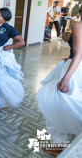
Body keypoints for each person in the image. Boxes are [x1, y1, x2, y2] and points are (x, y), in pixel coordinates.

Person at [36, 22, 82, 156]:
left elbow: (79, 54)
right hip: (77, 67)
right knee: (73, 106)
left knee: (59, 106)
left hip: (76, 71)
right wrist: (71, 57)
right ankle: (73, 142)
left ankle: (61, 145)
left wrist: (65, 79)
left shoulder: (78, 25)